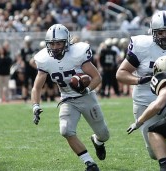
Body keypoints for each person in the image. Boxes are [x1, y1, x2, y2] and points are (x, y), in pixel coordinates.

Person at [116, 10, 166, 160]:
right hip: (146, 100)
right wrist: (139, 80)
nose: (165, 35)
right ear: (153, 32)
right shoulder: (142, 46)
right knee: (153, 153)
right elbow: (121, 73)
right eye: (161, 32)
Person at [31, 24, 110, 171]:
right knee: (66, 130)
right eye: (52, 43)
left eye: (59, 43)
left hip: (86, 97)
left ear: (67, 42)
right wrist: (35, 105)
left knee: (104, 135)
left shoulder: (77, 53)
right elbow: (36, 87)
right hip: (67, 98)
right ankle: (89, 163)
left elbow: (97, 77)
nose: (55, 47)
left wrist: (87, 89)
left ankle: (98, 141)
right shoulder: (44, 59)